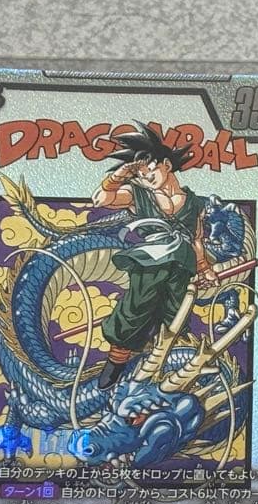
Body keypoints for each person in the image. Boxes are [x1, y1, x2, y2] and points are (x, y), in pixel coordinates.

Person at [92, 123, 217, 390]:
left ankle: (162, 369)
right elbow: (101, 199)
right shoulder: (137, 194)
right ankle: (115, 364)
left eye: (150, 170)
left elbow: (197, 238)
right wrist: (120, 175)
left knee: (175, 315)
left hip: (182, 265)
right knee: (136, 309)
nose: (147, 177)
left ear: (166, 165)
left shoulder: (194, 203)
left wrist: (204, 267)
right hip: (151, 261)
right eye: (141, 174)